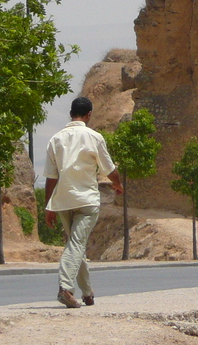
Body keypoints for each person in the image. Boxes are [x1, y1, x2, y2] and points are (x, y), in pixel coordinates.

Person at [44, 97, 123, 308]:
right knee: (77, 244)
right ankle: (65, 288)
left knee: (75, 244)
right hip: (87, 200)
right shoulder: (94, 137)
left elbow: (51, 178)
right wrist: (118, 184)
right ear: (89, 115)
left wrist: (48, 207)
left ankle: (87, 293)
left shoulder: (55, 139)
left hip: (63, 201)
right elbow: (110, 169)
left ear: (71, 113)